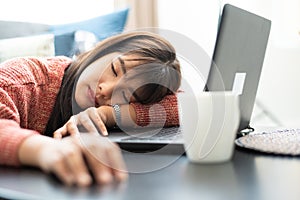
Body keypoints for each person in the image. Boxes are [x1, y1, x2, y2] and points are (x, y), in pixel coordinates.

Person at [0, 31, 181, 187]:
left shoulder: (108, 109)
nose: (106, 89)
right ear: (103, 50)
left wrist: (111, 114)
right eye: (115, 70)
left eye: (125, 95)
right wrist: (47, 149)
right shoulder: (27, 80)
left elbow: (182, 104)